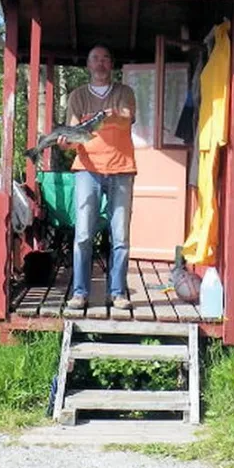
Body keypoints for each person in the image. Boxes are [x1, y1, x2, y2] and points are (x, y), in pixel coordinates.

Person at [58, 44, 136, 310]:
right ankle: (80, 292)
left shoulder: (124, 92)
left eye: (105, 58)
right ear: (88, 65)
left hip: (121, 169)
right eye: (95, 59)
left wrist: (109, 115)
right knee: (82, 235)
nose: (101, 63)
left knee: (121, 237)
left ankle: (118, 293)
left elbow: (127, 118)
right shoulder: (77, 96)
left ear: (111, 64)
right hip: (87, 170)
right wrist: (64, 143)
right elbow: (71, 135)